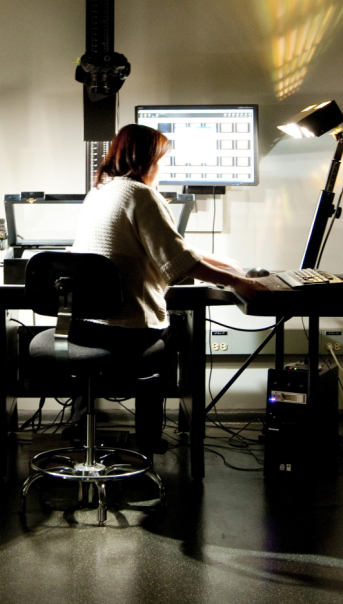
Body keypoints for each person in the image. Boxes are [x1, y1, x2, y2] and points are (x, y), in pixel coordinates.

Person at [64, 123, 269, 452]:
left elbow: (170, 249)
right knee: (178, 330)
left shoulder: (99, 193)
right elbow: (178, 265)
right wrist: (236, 282)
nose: (163, 168)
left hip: (84, 328)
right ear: (147, 160)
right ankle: (149, 438)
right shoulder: (142, 195)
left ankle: (79, 430)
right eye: (161, 160)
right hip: (125, 333)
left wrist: (223, 263)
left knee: (164, 327)